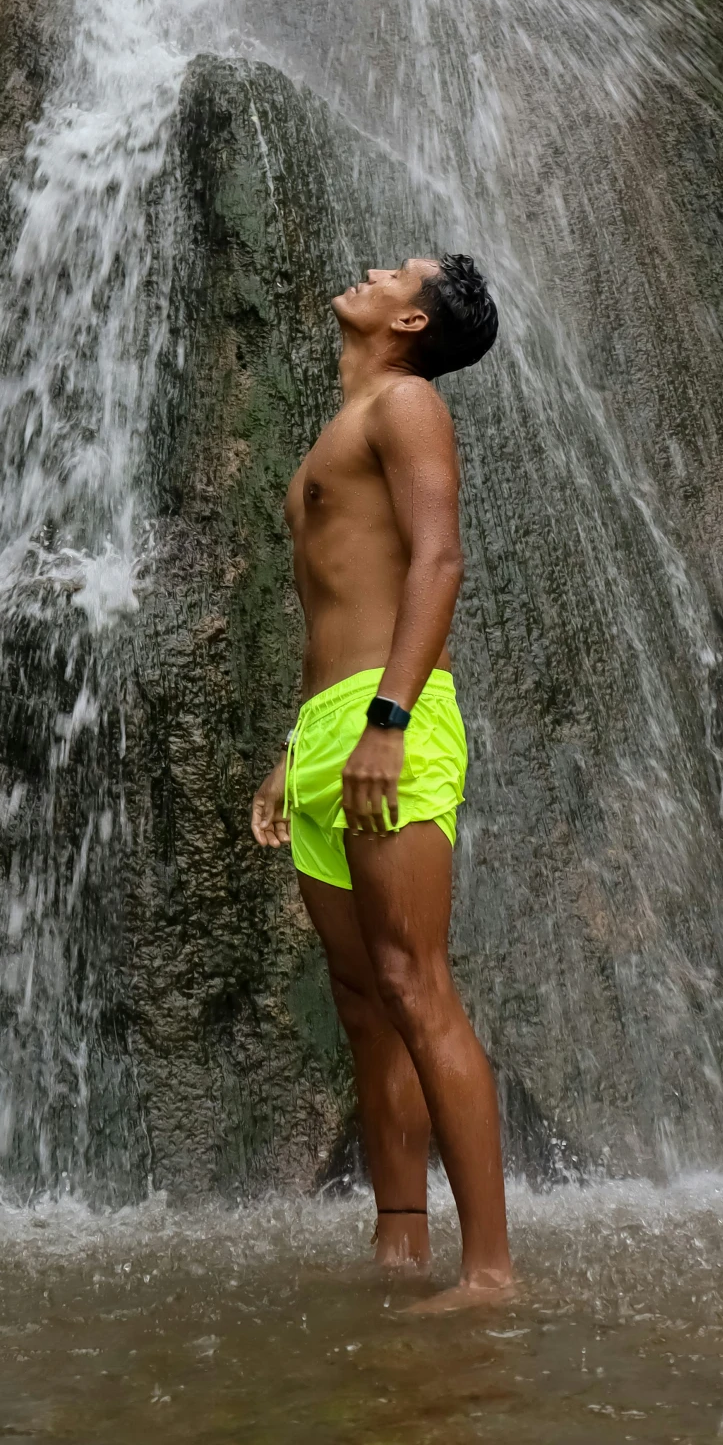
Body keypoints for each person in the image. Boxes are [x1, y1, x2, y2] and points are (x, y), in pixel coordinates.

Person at [250, 254, 514, 1310]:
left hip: (389, 717)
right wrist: (298, 745)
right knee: (362, 1001)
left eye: (397, 270)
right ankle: (400, 1240)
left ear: (410, 319)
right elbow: (336, 601)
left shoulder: (405, 404)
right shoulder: (345, 421)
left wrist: (388, 720)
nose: (372, 267)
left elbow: (436, 560)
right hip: (331, 726)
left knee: (415, 983)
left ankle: (490, 1271)